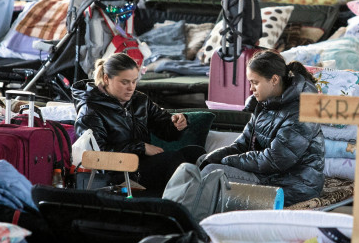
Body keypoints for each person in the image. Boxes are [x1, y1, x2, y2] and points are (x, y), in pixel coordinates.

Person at [196, 50, 325, 206]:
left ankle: (191, 214)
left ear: (274, 80)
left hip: (295, 185)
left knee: (210, 173)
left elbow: (275, 160)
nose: (251, 88)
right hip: (268, 174)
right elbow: (242, 144)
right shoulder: (265, 104)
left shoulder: (302, 110)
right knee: (202, 161)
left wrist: (226, 161)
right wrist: (216, 156)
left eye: (255, 82)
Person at [72, 53, 205, 192]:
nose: (131, 88)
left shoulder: (140, 100)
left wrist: (177, 124)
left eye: (134, 81)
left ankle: (203, 197)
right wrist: (139, 147)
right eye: (124, 82)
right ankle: (184, 200)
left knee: (195, 153)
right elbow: (96, 156)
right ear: (106, 79)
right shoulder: (90, 110)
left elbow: (166, 129)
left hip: (141, 166)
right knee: (172, 160)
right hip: (117, 175)